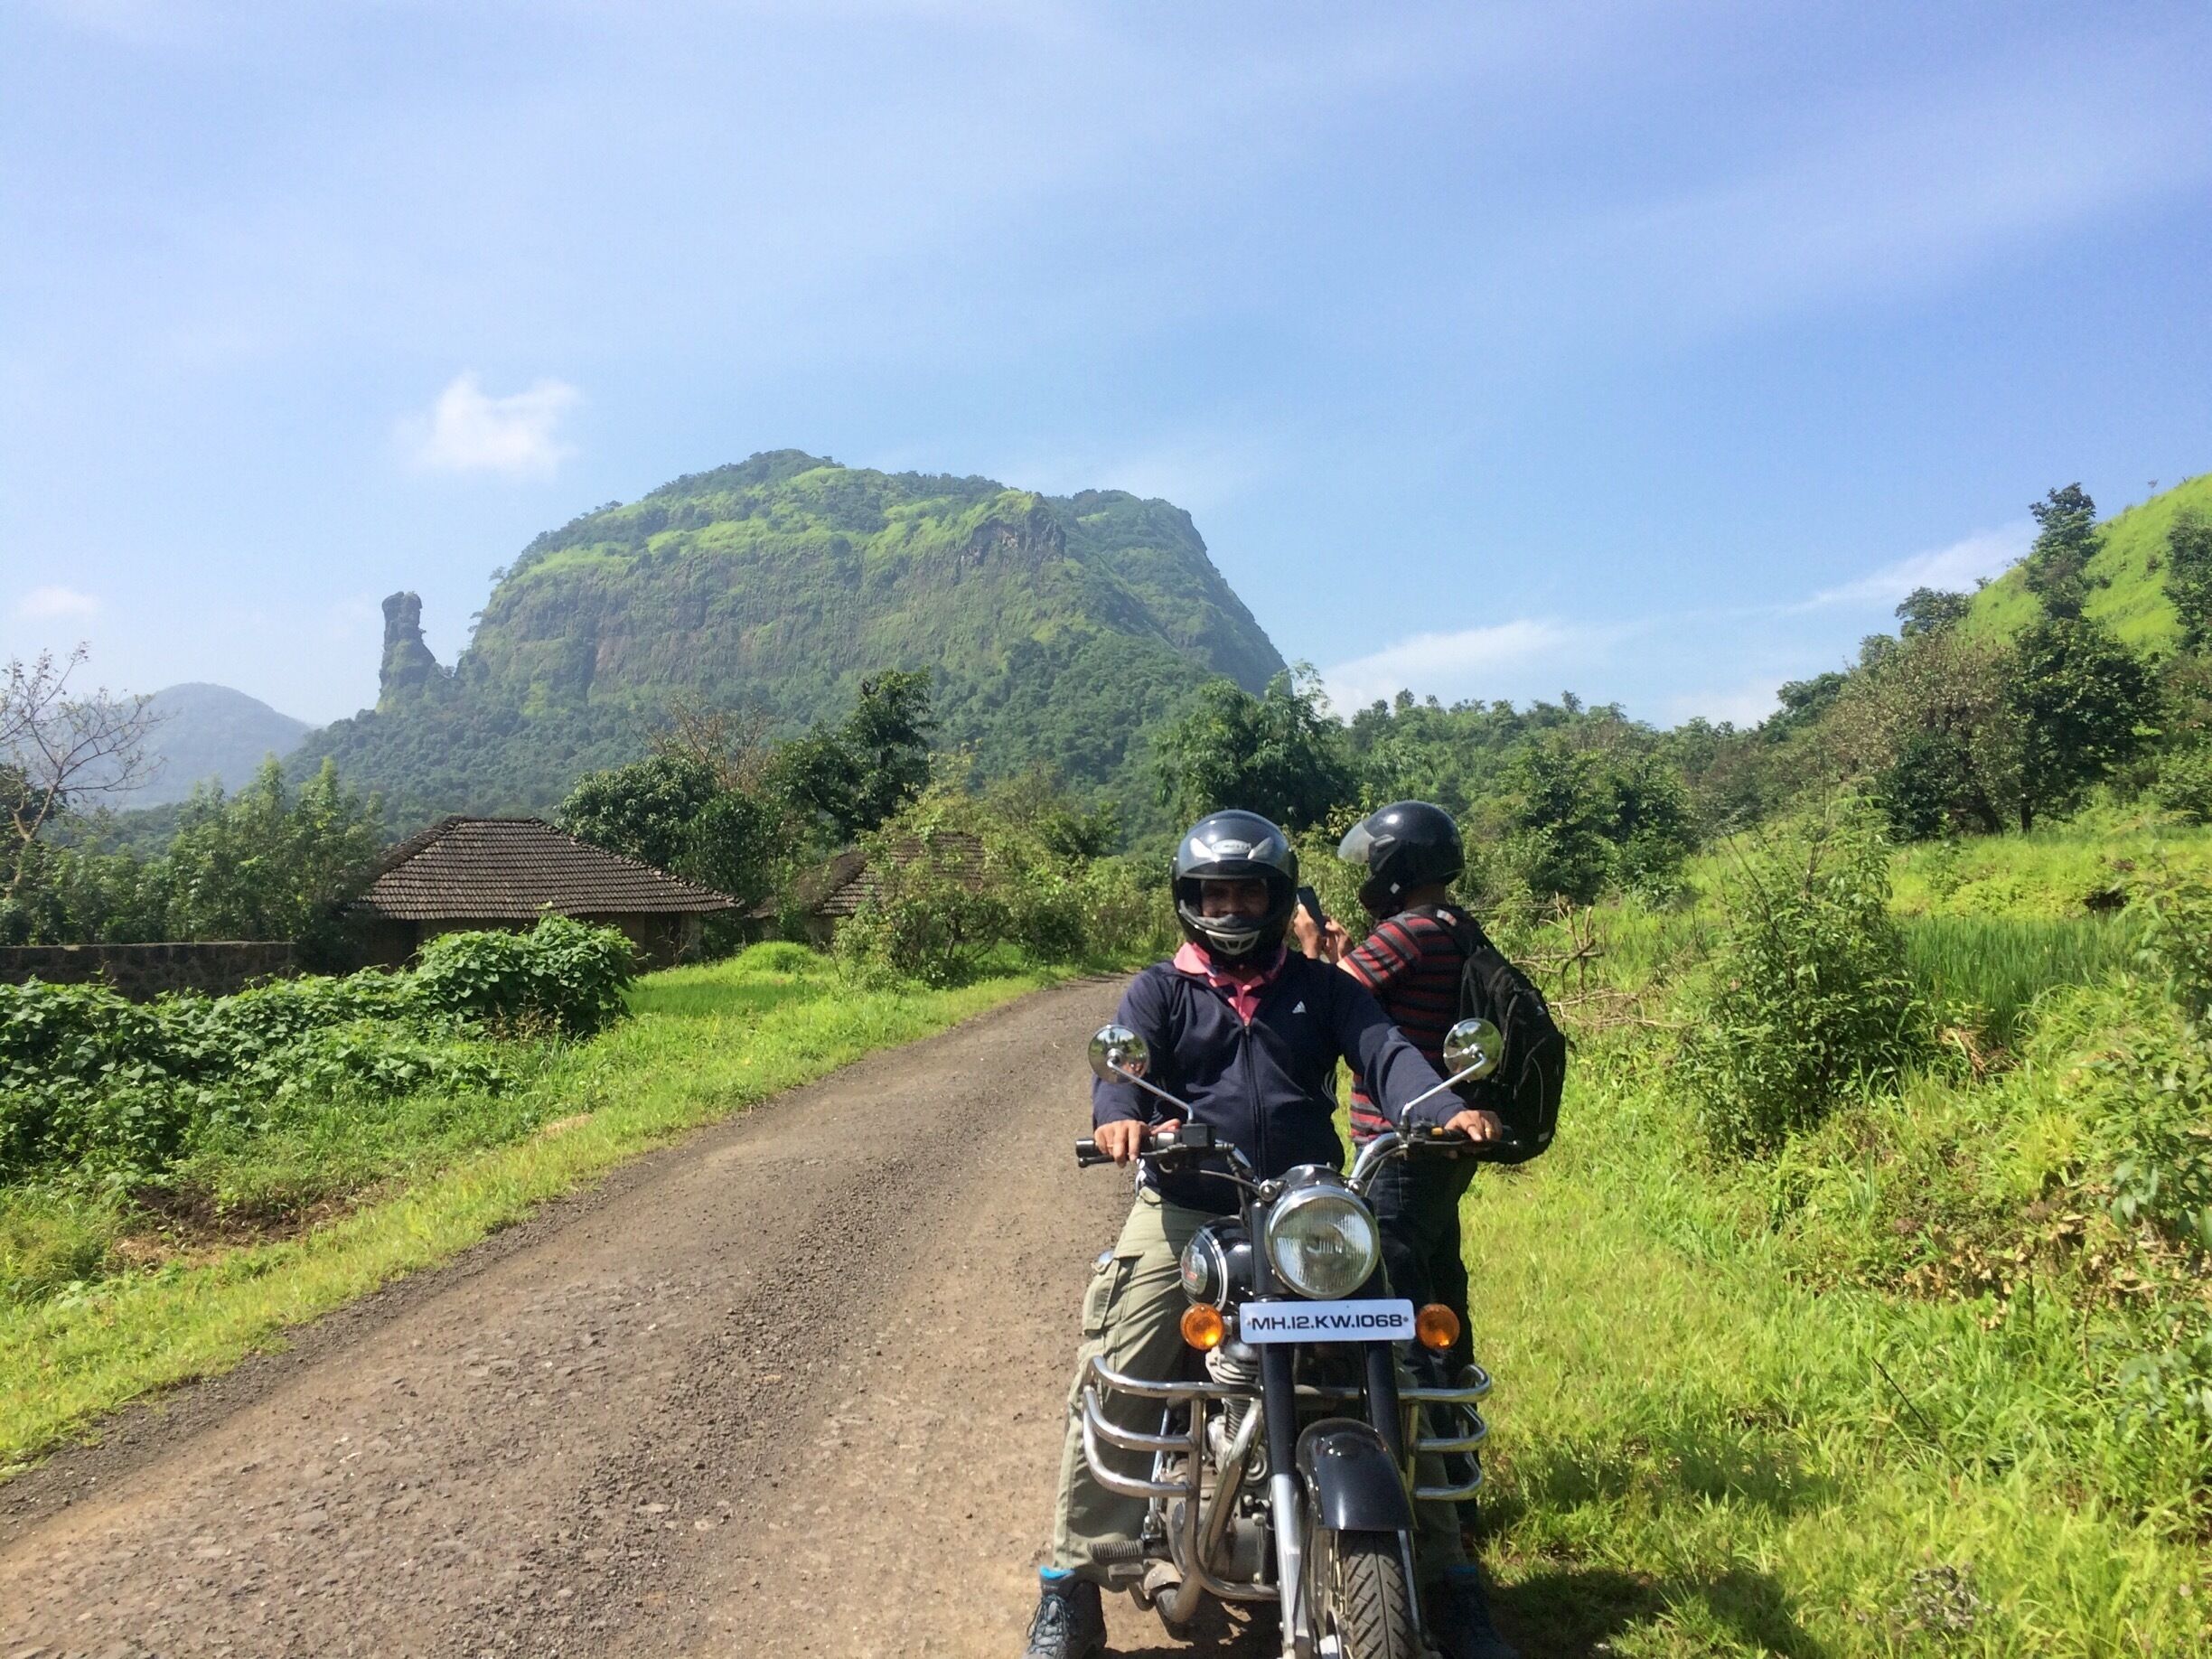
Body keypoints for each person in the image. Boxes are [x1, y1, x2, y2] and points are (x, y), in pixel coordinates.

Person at [1021, 810, 1512, 1659]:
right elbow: (1124, 1072)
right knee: (1122, 1363)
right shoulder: (1160, 990)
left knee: (1402, 1362)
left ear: (1277, 897)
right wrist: (1120, 1121)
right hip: (1189, 1205)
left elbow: (1386, 1050)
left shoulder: (1323, 989)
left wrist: (1442, 1109)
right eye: (1217, 891)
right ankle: (1072, 1582)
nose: (1234, 906)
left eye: (1250, 891)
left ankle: (1445, 1571)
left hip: (1304, 1209)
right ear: (1190, 899)